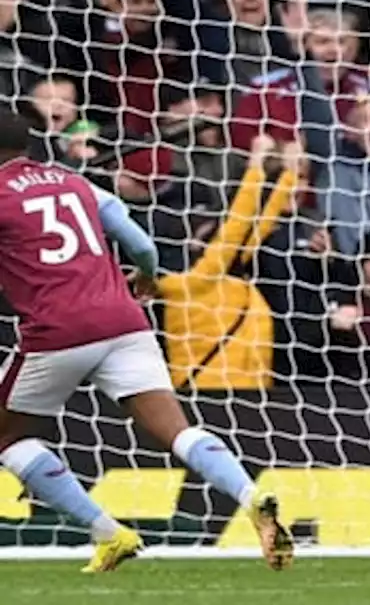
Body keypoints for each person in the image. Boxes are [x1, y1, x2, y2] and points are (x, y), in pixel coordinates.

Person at [0, 111, 293, 572]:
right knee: (177, 431)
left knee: (7, 439)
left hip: (57, 329)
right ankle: (250, 494)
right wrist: (148, 277)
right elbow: (139, 240)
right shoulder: (72, 181)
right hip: (125, 320)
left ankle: (108, 532)